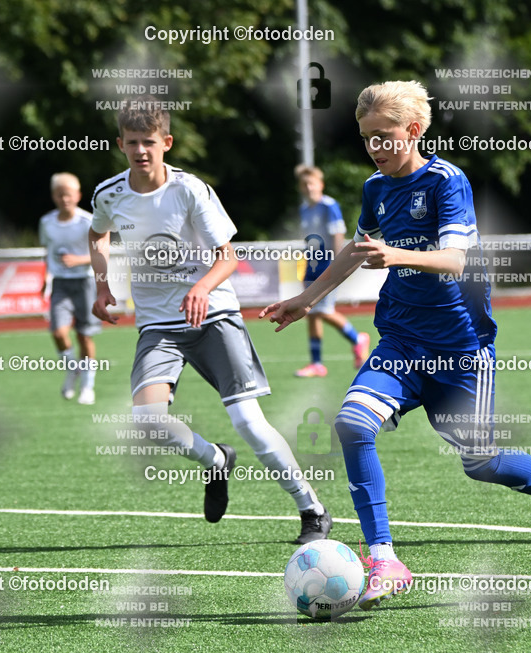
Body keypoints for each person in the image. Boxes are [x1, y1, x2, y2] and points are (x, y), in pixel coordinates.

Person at [260, 81, 531, 610]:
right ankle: (384, 558)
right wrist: (306, 298)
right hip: (401, 339)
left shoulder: (447, 181)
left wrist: (397, 255)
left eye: (384, 137)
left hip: (460, 349)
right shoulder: (375, 188)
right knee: (351, 423)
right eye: (367, 138)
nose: (375, 148)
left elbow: (458, 260)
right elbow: (357, 248)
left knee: (480, 463)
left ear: (414, 131)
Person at [89, 98, 332, 543]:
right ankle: (216, 460)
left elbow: (228, 257)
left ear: (167, 142)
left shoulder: (190, 190)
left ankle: (311, 508)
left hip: (214, 315)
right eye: (132, 143)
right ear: (120, 144)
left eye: (149, 142)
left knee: (249, 422)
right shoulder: (109, 194)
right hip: (159, 327)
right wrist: (102, 285)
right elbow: (97, 233)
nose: (141, 150)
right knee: (148, 422)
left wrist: (200, 288)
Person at [292, 165, 370, 377]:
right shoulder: (304, 209)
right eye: (305, 184)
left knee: (323, 310)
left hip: (327, 263)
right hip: (312, 263)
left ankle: (357, 338)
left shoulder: (329, 206)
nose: (309, 187)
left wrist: (337, 263)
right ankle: (317, 363)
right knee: (310, 312)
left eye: (312, 183)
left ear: (321, 185)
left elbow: (338, 233)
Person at [39, 172, 100, 405]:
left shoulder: (88, 221)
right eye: (60, 194)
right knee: (58, 332)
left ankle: (88, 385)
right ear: (54, 196)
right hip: (60, 284)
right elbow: (49, 252)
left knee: (84, 335)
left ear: (78, 196)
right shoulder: (46, 222)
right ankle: (72, 368)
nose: (65, 199)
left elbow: (101, 253)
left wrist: (79, 260)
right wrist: (46, 276)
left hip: (85, 282)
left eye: (69, 194)